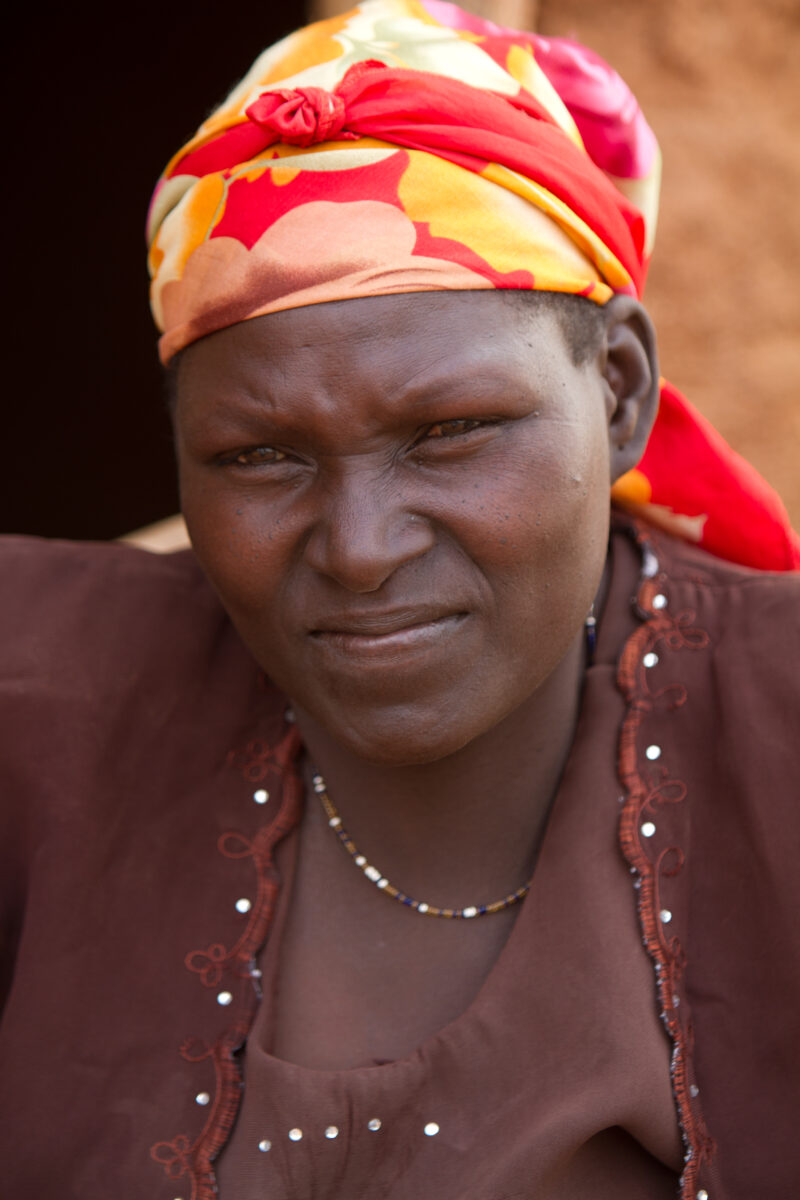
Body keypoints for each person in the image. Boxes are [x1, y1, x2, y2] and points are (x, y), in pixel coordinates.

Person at [1, 3, 798, 1198]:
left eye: (451, 432)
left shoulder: (776, 738)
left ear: (620, 391)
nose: (361, 548)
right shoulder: (46, 704)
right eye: (257, 457)